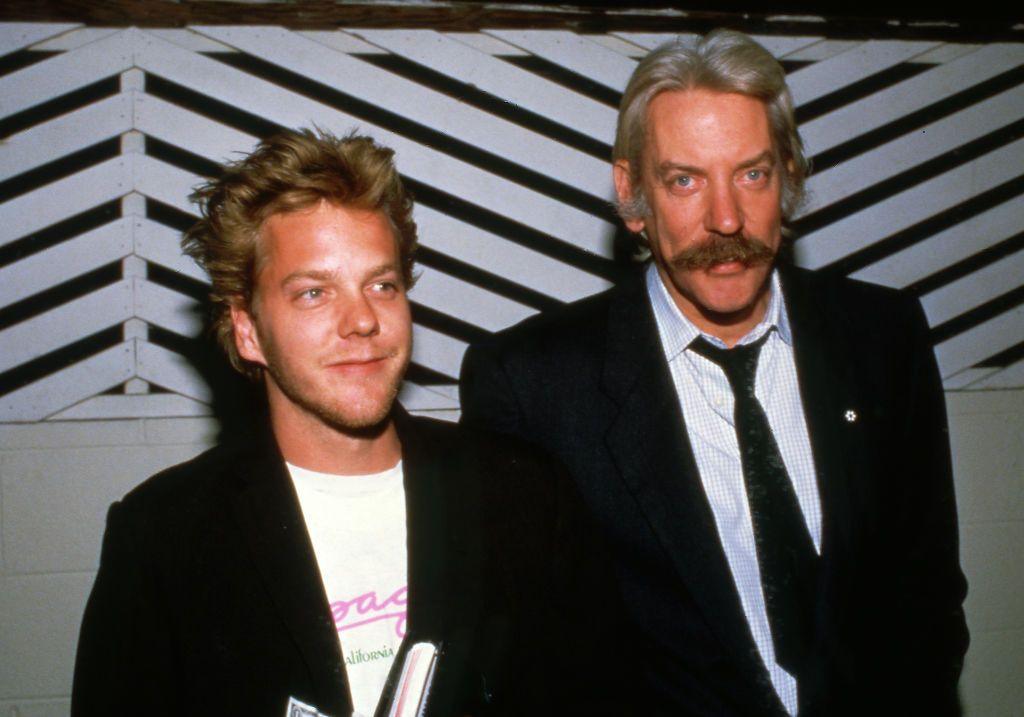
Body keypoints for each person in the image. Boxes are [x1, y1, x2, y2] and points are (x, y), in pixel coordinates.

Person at [460, 29, 969, 716]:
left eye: (752, 173)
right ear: (630, 190)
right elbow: (526, 669)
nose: (726, 217)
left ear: (788, 173)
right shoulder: (531, 385)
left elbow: (929, 603)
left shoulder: (884, 339)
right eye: (684, 180)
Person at [71, 128, 624, 717]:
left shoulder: (525, 495)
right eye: (314, 293)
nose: (361, 320)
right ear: (248, 331)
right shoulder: (164, 536)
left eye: (381, 285)